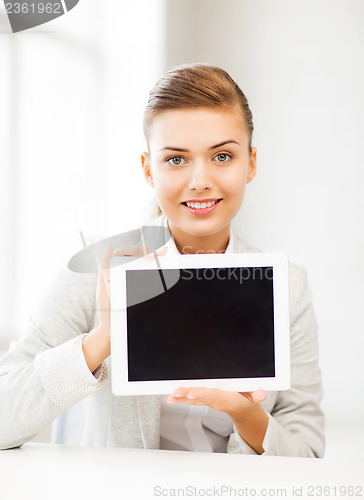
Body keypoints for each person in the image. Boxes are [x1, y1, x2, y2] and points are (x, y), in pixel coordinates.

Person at [0, 63, 324, 456]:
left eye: (222, 156)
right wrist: (102, 340)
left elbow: (307, 451)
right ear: (147, 169)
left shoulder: (286, 285)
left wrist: (248, 416)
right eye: (175, 159)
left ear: (250, 163)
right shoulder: (99, 270)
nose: (200, 179)